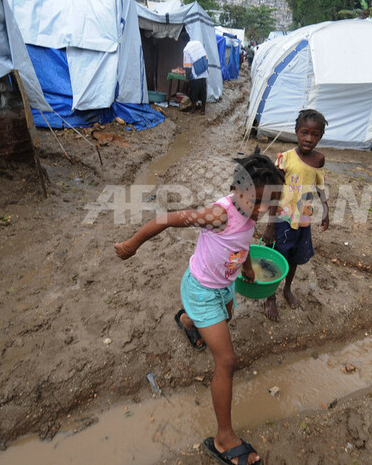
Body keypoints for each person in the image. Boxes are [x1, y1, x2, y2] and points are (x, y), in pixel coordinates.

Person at [115, 149, 283, 465]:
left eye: (270, 205)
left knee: (228, 316)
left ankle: (186, 321)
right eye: (259, 203)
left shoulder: (250, 214)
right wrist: (131, 245)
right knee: (227, 360)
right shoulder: (219, 214)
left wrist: (246, 265)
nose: (264, 211)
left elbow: (243, 240)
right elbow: (167, 219)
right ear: (237, 192)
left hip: (224, 285)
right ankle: (223, 440)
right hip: (202, 290)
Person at [263, 109, 329, 321]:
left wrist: (326, 210)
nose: (309, 138)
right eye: (304, 133)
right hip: (282, 219)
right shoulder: (286, 159)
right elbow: (274, 191)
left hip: (303, 220)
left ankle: (287, 288)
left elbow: (319, 186)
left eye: (315, 134)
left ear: (320, 136)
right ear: (296, 132)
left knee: (294, 259)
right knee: (277, 258)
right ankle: (270, 295)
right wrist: (270, 224)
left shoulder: (319, 160)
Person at [182, 35, 209, 115]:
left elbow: (188, 66)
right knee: (203, 91)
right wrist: (207, 70)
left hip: (195, 73)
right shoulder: (198, 43)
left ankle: (193, 109)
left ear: (183, 41)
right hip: (204, 72)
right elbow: (205, 57)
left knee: (194, 92)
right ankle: (203, 109)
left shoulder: (186, 49)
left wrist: (187, 78)